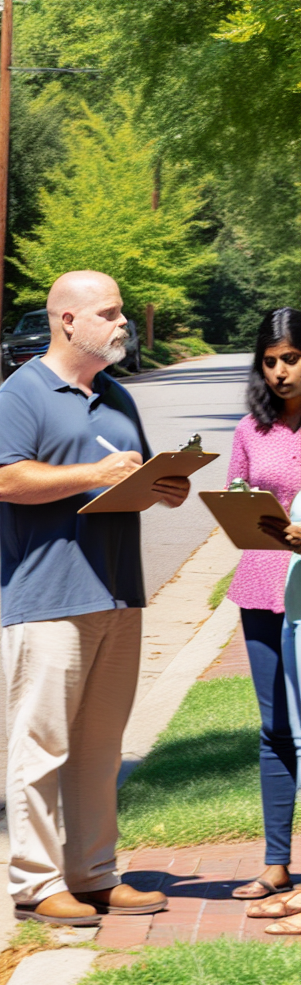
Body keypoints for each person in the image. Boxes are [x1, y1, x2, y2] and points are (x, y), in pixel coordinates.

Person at [0, 270, 190, 925]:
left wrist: (165, 486)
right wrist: (90, 476)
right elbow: (5, 479)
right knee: (41, 749)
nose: (123, 322)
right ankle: (37, 886)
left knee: (101, 749)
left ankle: (95, 874)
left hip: (119, 594)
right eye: (110, 312)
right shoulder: (22, 394)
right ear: (68, 320)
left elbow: (135, 475)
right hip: (48, 600)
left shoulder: (119, 397)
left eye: (121, 311)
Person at [217, 308, 301, 906]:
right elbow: (236, 496)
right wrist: (245, 512)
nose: (279, 372)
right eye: (269, 361)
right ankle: (276, 863)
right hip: (260, 587)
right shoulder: (251, 429)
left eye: (291, 359)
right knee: (274, 729)